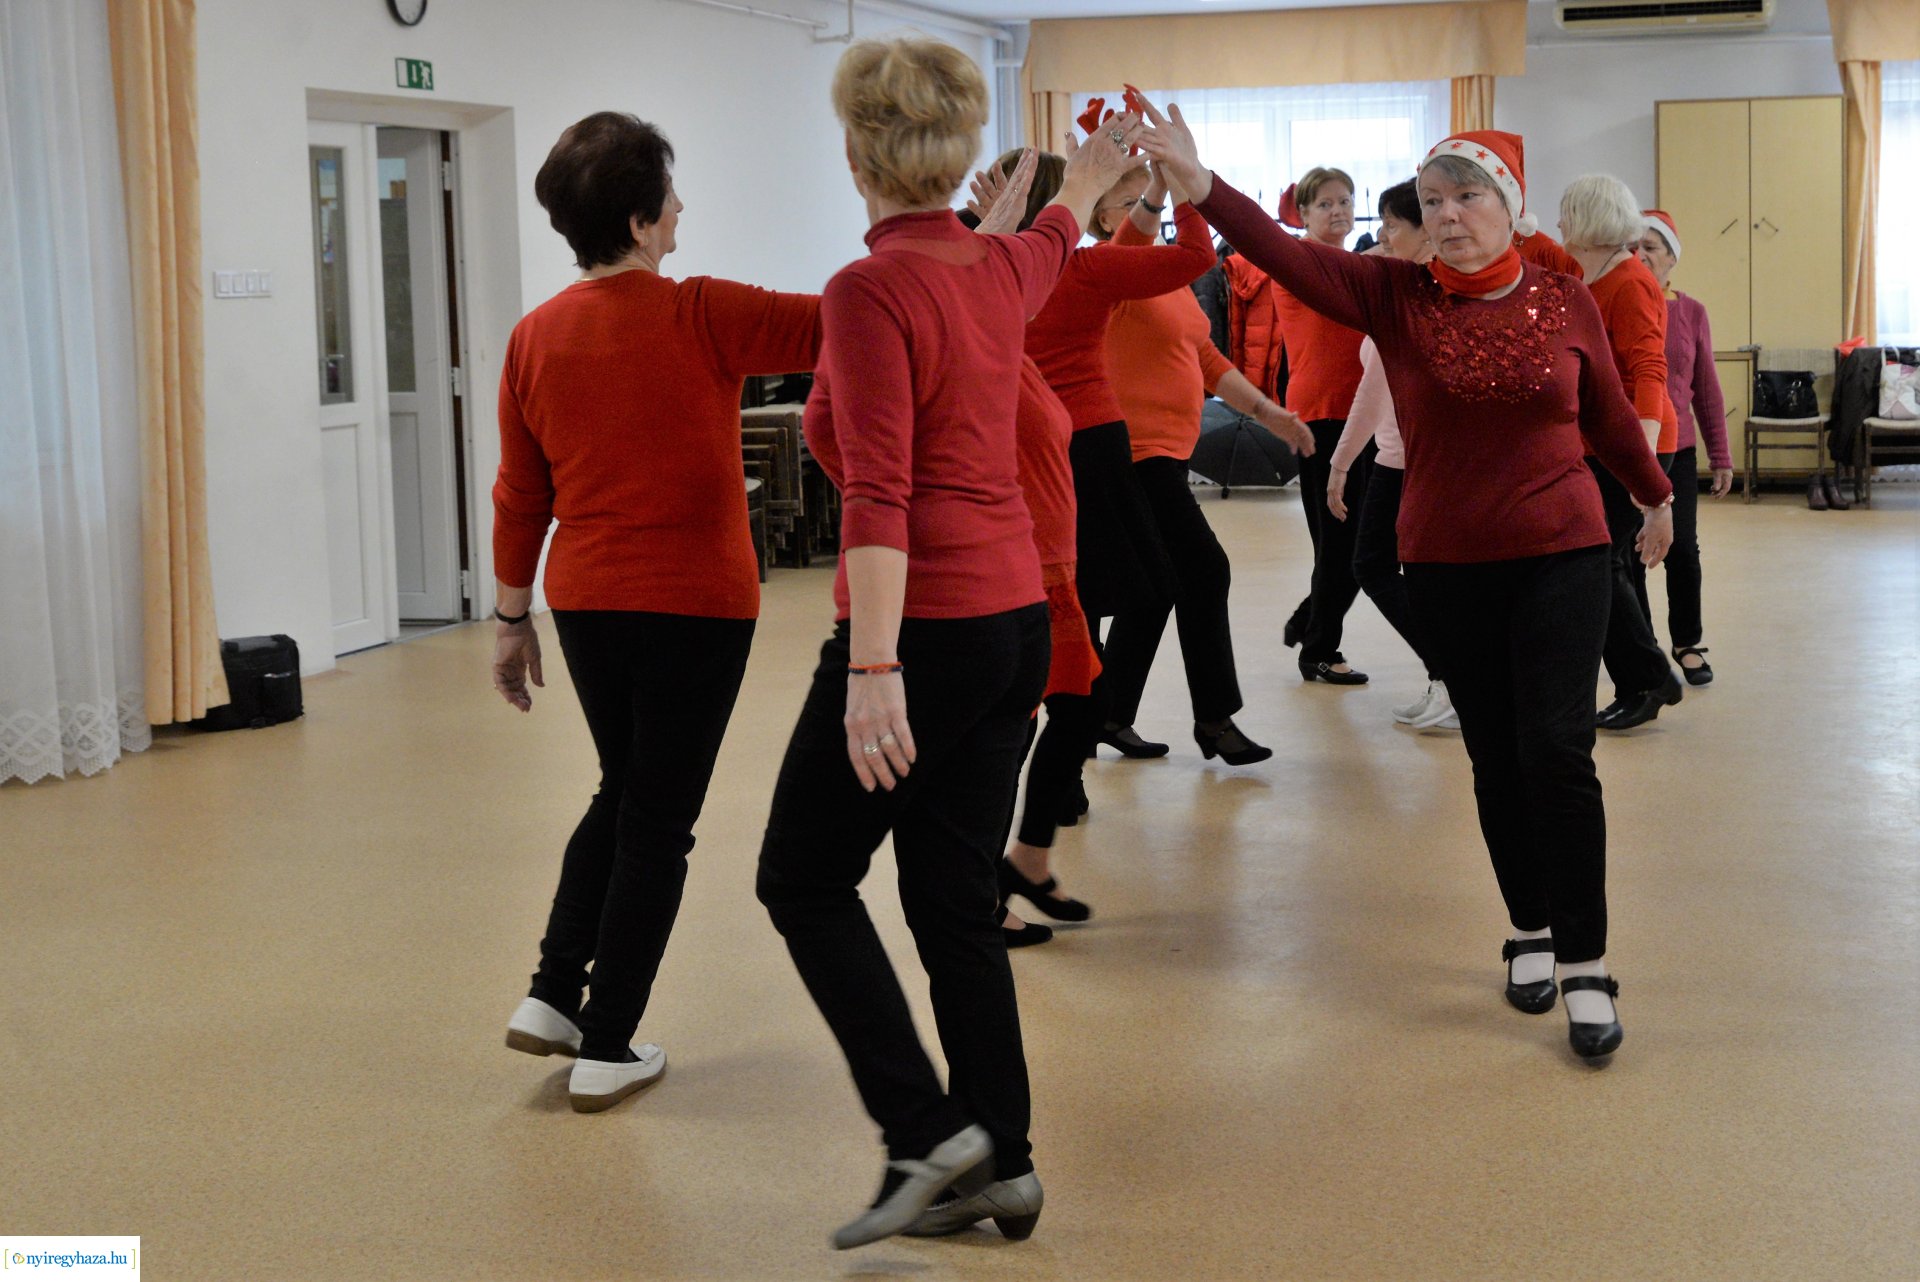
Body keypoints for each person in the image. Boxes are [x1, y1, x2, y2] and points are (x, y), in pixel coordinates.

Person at [1140, 109, 1674, 1063]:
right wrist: (1201, 184)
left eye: (1469, 195)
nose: (1450, 214)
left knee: (1557, 747)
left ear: (1508, 204)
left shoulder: (1563, 299)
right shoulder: (1395, 297)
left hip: (1562, 550)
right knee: (1498, 754)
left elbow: (1606, 416)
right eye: (1433, 200)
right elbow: (1283, 252)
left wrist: (1656, 493)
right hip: (1449, 561)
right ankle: (1531, 927)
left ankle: (1587, 958)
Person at [753, 38, 1141, 1250]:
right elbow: (1052, 238)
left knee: (802, 877)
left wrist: (873, 668)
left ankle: (928, 1132)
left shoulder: (866, 292)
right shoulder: (994, 271)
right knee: (947, 900)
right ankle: (1005, 1164)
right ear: (961, 151)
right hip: (1013, 625)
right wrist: (1075, 184)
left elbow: (875, 491)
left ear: (856, 150)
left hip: (923, 633)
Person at [489, 112, 822, 1112]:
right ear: (640, 222)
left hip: (585, 596)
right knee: (659, 818)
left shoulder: (532, 335)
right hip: (695, 603)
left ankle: (555, 991)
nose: (682, 211)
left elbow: (519, 493)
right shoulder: (705, 312)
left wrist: (509, 621)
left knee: (625, 787)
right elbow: (852, 314)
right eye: (670, 198)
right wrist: (971, 243)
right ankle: (610, 1038)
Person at [1100, 160, 1314, 764]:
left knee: (1157, 588)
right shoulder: (1108, 272)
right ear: (1104, 217)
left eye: (1151, 203)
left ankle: (1110, 714)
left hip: (1165, 454)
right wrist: (1162, 187)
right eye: (1130, 201)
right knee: (1205, 570)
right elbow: (1132, 240)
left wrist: (1271, 414)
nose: (1148, 211)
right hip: (1132, 456)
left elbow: (1208, 359)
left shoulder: (1168, 282)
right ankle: (1214, 721)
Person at [1020, 136, 1221, 765]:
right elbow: (1193, 255)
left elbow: (1130, 250)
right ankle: (1094, 726)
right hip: (1091, 447)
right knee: (1129, 591)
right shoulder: (1081, 270)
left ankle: (1084, 741)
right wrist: (1185, 192)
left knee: (1069, 601)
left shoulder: (984, 270)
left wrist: (1157, 192)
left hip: (1026, 449)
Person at [1526, 176, 1685, 730]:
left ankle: (1647, 677)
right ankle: (1647, 676)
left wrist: (1636, 455)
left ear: (1590, 220)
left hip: (1632, 443)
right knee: (1603, 563)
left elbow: (1649, 370)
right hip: (1602, 443)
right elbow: (1549, 255)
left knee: (1599, 563)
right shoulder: (1593, 274)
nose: (1562, 224)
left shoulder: (1630, 281)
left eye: (1567, 214)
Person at [1228, 170, 1373, 685]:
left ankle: (1312, 624)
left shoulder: (1359, 263)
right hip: (1322, 414)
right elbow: (1345, 279)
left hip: (1364, 414)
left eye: (1346, 201)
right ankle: (1318, 648)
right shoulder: (1302, 263)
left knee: (1362, 543)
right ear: (1304, 214)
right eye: (1326, 204)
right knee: (1340, 543)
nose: (1338, 210)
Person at [1324, 180, 1456, 729]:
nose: (1383, 236)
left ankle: (1451, 676)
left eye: (1393, 225)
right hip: (1402, 455)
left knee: (1377, 565)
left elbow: (1372, 390)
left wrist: (1338, 463)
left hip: (1405, 460)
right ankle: (1447, 676)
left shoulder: (1414, 295)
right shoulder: (1416, 285)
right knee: (1410, 574)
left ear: (1425, 230)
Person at [1636, 209, 1733, 685]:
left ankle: (1686, 642)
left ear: (1672, 258)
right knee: (1625, 554)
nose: (1639, 256)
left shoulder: (1690, 312)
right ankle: (1641, 648)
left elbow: (1707, 388)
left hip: (1679, 447)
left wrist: (1722, 456)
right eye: (1632, 247)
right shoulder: (1615, 300)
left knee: (1682, 551)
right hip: (1629, 447)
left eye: (1650, 248)